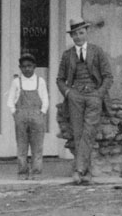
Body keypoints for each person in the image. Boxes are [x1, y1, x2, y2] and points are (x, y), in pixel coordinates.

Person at [56, 19, 113, 185]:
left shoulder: (97, 51)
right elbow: (60, 79)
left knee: (89, 132)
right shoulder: (68, 55)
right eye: (75, 34)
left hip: (94, 96)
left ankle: (78, 169)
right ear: (72, 36)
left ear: (87, 33)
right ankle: (85, 172)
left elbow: (108, 76)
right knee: (78, 133)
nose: (78, 37)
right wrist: (68, 92)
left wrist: (99, 94)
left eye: (81, 33)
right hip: (75, 97)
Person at [7, 53, 49, 179]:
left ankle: (36, 172)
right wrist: (15, 112)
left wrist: (42, 112)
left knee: (37, 147)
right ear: (20, 67)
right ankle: (22, 172)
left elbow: (45, 98)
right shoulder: (16, 82)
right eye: (24, 66)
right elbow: (10, 100)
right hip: (21, 116)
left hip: (37, 115)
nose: (27, 69)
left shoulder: (40, 81)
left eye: (29, 66)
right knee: (22, 146)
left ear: (34, 67)